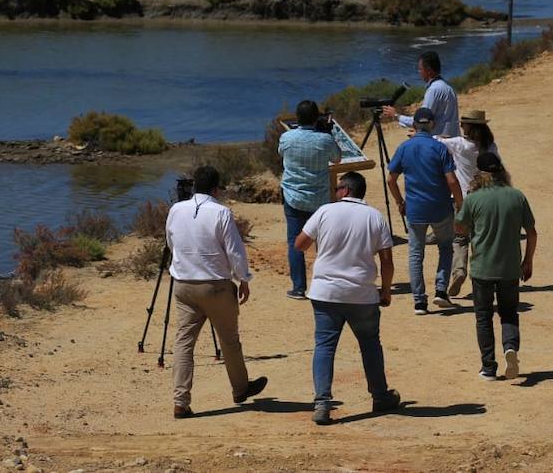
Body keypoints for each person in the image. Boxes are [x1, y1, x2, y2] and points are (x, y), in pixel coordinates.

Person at [293, 170, 403, 424]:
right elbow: (387, 260)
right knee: (370, 345)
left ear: (345, 189)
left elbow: (300, 244)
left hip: (326, 292)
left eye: (338, 188)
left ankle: (322, 402)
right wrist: (385, 290)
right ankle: (379, 395)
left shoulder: (325, 211)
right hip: (362, 294)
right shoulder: (375, 217)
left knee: (325, 346)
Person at [164, 164, 268, 418]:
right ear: (215, 188)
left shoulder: (176, 209)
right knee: (229, 340)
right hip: (215, 286)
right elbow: (234, 250)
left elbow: (170, 241)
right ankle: (240, 388)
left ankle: (180, 401)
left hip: (184, 285)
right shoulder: (221, 212)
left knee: (184, 343)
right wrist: (243, 278)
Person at [455, 151, 536, 381]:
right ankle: (510, 347)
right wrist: (527, 261)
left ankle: (488, 366)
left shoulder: (474, 198)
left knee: (483, 316)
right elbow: (532, 233)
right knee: (509, 313)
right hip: (510, 267)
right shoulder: (516, 196)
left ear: (479, 174)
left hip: (482, 267)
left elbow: (459, 229)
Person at [385, 106, 463, 314]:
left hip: (415, 209)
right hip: (440, 207)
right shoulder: (439, 148)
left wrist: (400, 202)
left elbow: (391, 179)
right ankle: (440, 290)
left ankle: (419, 301)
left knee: (415, 253)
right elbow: (452, 181)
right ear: (433, 125)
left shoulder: (404, 147)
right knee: (446, 247)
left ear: (415, 125)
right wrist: (461, 205)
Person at [278, 99, 343, 300]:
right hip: (319, 198)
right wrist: (328, 132)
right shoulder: (325, 140)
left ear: (297, 118)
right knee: (323, 242)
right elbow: (338, 158)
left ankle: (298, 287)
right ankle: (324, 285)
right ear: (317, 118)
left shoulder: (286, 138)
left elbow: (281, 153)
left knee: (294, 242)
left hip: (293, 196)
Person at [437, 109, 499, 297]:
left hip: (462, 198)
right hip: (485, 198)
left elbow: (434, 141)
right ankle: (482, 277)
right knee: (481, 239)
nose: (461, 125)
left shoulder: (459, 144)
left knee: (460, 238)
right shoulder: (490, 146)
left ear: (469, 127)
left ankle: (459, 271)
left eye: (464, 123)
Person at [384, 50, 459, 138]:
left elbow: (422, 120)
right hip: (453, 141)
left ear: (428, 70)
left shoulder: (433, 90)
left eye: (420, 69)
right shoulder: (448, 88)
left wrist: (396, 115)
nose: (419, 72)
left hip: (440, 144)